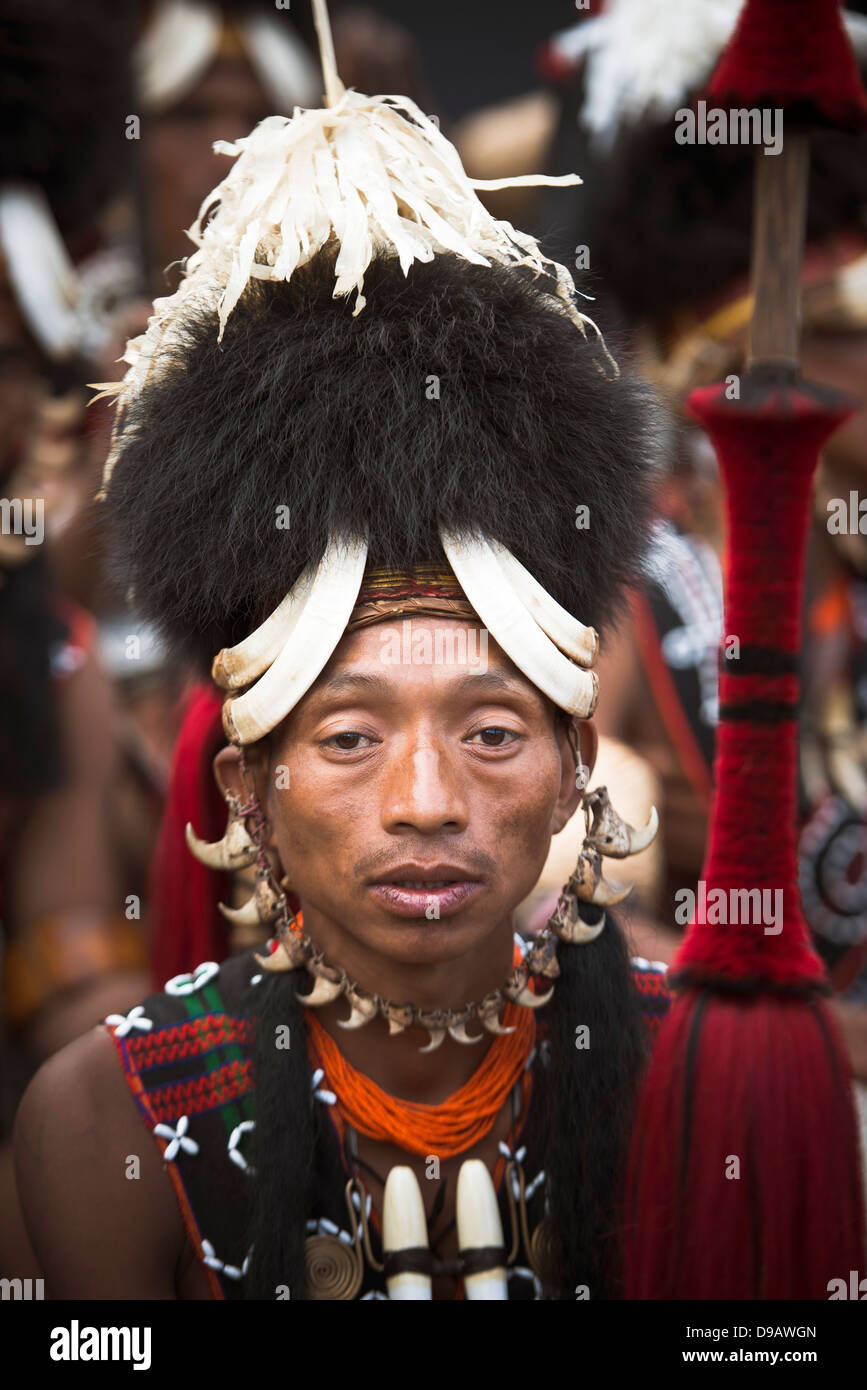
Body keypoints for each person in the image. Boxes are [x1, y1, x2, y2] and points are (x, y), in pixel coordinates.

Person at [13, 8, 669, 1300]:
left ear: (577, 761)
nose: (427, 802)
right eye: (352, 736)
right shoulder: (111, 1124)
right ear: (248, 787)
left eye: (490, 731)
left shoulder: (708, 1082)